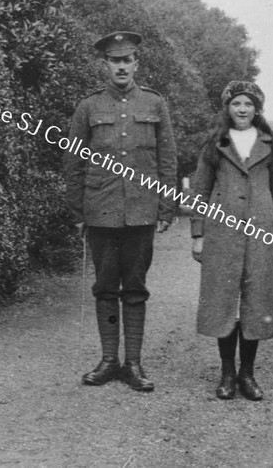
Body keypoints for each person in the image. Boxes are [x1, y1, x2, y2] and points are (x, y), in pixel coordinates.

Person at [64, 31, 177, 392]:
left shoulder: (155, 104)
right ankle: (109, 359)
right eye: (115, 61)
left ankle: (134, 364)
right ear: (105, 66)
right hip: (100, 209)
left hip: (142, 210)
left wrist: (165, 207)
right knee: (105, 286)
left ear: (136, 64)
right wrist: (78, 211)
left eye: (127, 60)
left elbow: (167, 159)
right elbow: (73, 162)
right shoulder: (88, 107)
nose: (122, 67)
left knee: (136, 287)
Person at [190, 80, 273, 401]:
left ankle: (248, 374)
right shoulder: (215, 143)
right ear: (227, 108)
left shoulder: (269, 144)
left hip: (262, 233)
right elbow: (200, 191)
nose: (242, 110)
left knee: (255, 301)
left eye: (248, 104)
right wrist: (198, 234)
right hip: (222, 233)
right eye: (236, 104)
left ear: (257, 109)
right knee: (224, 302)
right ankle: (227, 374)